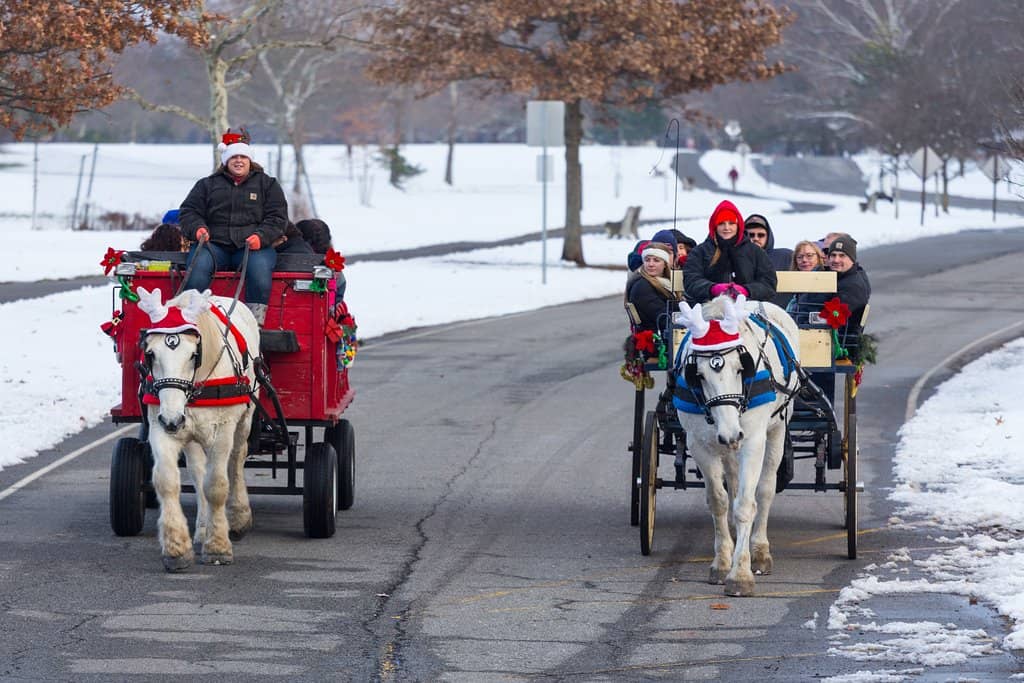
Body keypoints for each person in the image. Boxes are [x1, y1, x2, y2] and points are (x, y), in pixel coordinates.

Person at [178, 128, 288, 324]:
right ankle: (191, 319)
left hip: (253, 246)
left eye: (243, 157)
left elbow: (277, 217)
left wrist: (261, 237)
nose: (239, 161)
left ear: (249, 160)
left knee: (260, 274)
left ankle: (255, 323)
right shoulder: (207, 185)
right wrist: (198, 229)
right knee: (197, 270)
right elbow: (189, 211)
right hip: (215, 245)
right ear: (226, 161)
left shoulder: (268, 184)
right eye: (233, 157)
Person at [682, 199, 777, 304]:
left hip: (748, 308)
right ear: (714, 226)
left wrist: (746, 290)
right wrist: (713, 288)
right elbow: (691, 280)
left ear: (738, 225)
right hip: (708, 306)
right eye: (721, 223)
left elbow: (768, 283)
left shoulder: (756, 252)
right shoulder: (700, 252)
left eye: (731, 223)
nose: (726, 228)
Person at [626, 240, 677, 333]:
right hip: (658, 342)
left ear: (665, 264)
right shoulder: (642, 287)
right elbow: (663, 318)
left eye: (656, 260)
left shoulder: (665, 282)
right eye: (647, 260)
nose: (651, 264)